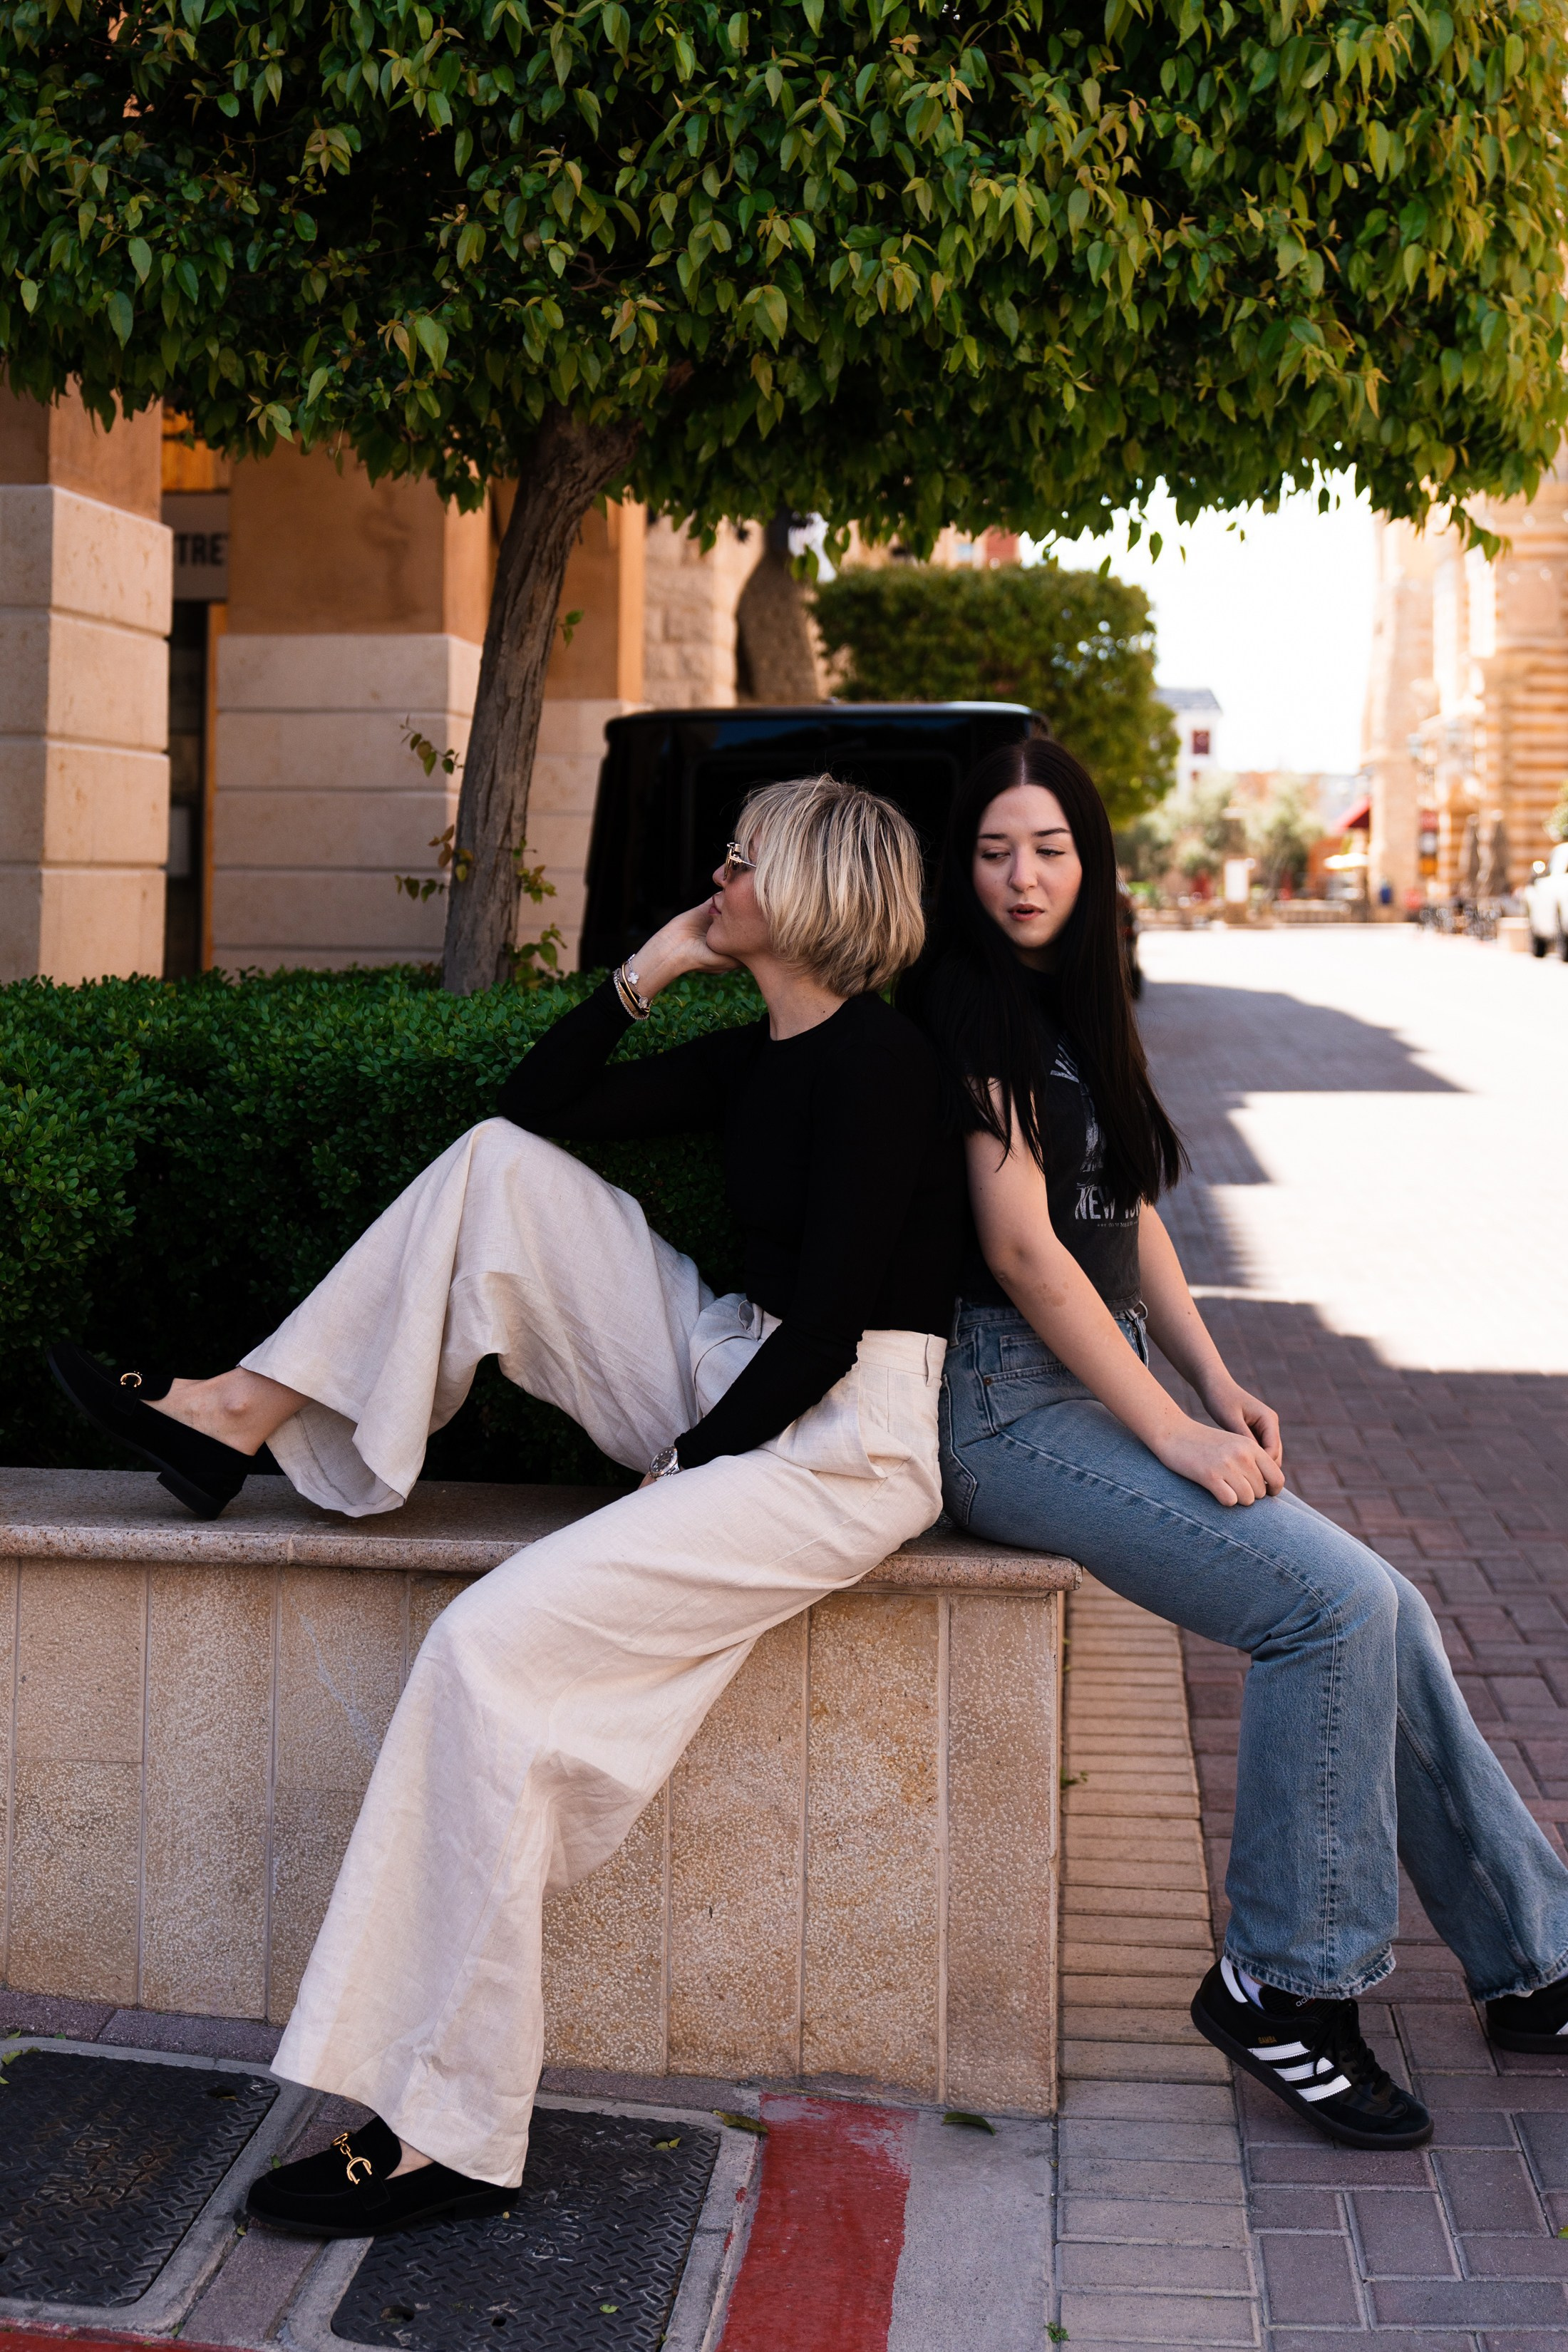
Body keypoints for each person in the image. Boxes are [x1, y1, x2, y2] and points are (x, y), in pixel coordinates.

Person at [50, 776, 963, 2233]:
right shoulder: (757, 1056)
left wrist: (689, 1469)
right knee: (491, 1172)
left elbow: (831, 1329)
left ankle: (447, 2132)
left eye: (738, 859)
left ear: (805, 889)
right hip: (735, 1365)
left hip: (835, 1443)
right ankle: (238, 1417)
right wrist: (648, 968)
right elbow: (528, 1116)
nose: (714, 870)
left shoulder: (883, 1068)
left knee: (487, 1653)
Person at [901, 737, 1568, 2154]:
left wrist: (1214, 1375)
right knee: (1321, 1609)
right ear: (960, 870)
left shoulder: (1074, 1002)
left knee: (1381, 1604)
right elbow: (1022, 1251)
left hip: (1105, 1379)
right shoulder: (963, 1006)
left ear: (1089, 860)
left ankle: (1531, 1963)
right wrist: (1172, 1435)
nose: (1022, 877)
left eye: (1049, 848)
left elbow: (1119, 1210)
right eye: (993, 851)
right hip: (1008, 1411)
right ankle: (1279, 1981)